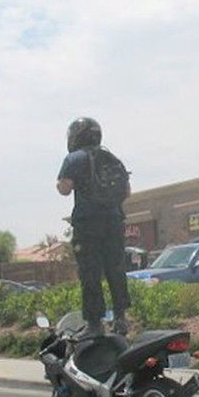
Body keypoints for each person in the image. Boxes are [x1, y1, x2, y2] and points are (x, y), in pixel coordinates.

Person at [56, 117, 131, 337]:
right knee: (116, 269)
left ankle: (94, 324)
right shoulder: (112, 158)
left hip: (88, 222)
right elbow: (127, 192)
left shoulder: (74, 159)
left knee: (90, 273)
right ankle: (120, 319)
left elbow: (64, 189)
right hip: (114, 221)